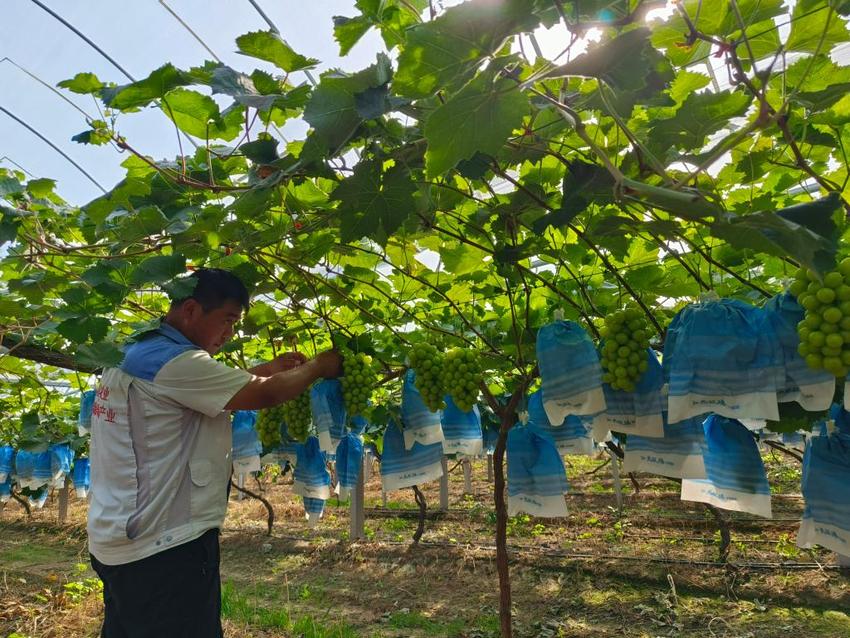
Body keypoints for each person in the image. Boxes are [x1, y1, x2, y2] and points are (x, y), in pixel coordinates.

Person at [87, 268, 342, 638]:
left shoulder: (136, 352)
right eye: (227, 320)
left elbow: (195, 394)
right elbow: (266, 395)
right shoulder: (176, 362)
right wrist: (322, 365)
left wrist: (265, 370)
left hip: (118, 540)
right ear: (191, 309)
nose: (230, 333)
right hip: (165, 548)